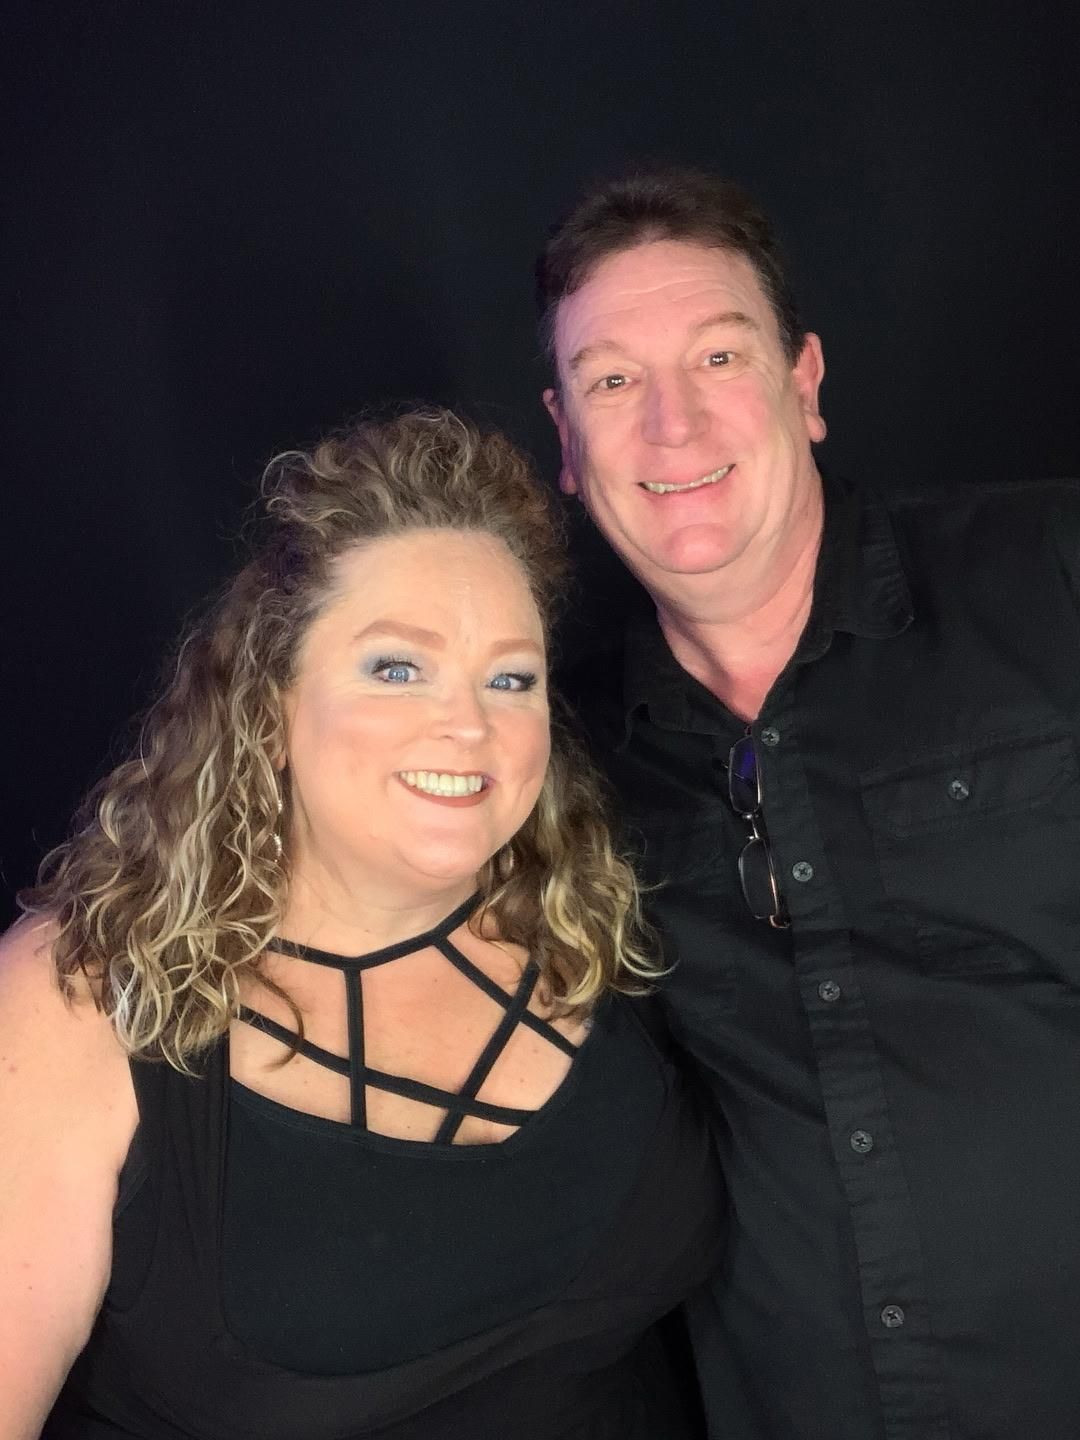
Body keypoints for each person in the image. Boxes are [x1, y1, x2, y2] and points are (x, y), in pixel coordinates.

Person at [0, 410, 720, 1439]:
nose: (467, 725)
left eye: (509, 678)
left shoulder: (590, 919)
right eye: (397, 667)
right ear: (271, 700)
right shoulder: (80, 995)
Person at [537, 168, 1080, 1440]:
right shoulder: (547, 760)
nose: (671, 425)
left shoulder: (1052, 577)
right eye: (613, 379)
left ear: (806, 383)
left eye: (719, 355)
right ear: (565, 440)